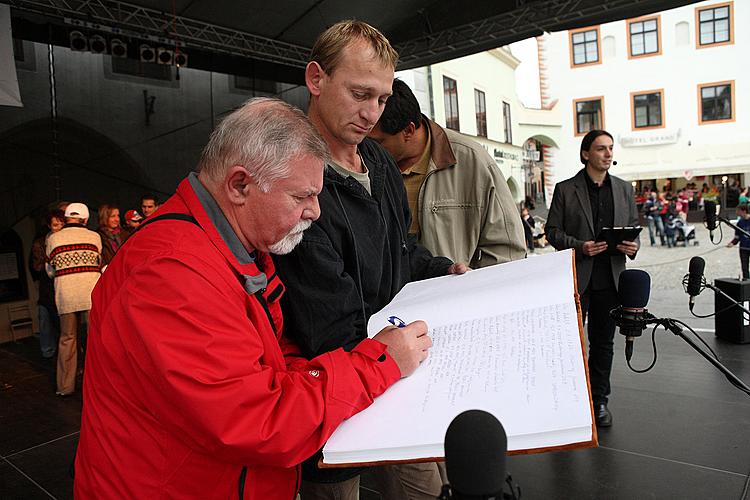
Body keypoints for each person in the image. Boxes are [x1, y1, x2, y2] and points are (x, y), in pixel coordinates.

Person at [74, 98, 433, 500]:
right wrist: (376, 364)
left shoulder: (235, 247)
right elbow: (258, 421)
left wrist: (329, 377)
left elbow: (272, 359)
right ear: (240, 185)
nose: (314, 212)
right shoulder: (172, 274)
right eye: (302, 197)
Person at [272, 20, 467, 500]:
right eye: (360, 94)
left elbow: (400, 250)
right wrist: (392, 351)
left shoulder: (378, 162)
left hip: (395, 367)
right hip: (331, 393)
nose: (371, 113)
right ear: (315, 79)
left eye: (381, 99)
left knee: (424, 487)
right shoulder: (292, 177)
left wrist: (442, 271)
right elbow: (322, 318)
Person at [368, 78, 526, 266]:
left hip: (456, 292)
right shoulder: (363, 162)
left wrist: (471, 289)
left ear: (408, 130)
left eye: (378, 142)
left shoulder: (473, 161)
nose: (367, 148)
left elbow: (507, 250)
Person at [545, 129, 639, 428]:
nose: (608, 153)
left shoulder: (624, 189)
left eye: (611, 148)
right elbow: (552, 232)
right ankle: (571, 399)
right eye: (601, 148)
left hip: (611, 279)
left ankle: (599, 401)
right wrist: (580, 246)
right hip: (576, 278)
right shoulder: (565, 188)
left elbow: (634, 226)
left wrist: (633, 246)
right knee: (571, 344)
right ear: (586, 154)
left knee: (603, 344)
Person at [45, 203, 102, 396]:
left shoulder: (54, 238)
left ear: (67, 218)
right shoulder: (94, 237)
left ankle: (65, 387)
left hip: (66, 295)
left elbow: (50, 270)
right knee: (92, 340)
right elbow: (98, 262)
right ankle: (95, 385)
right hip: (90, 294)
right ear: (85, 219)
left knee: (67, 339)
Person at [28, 209, 65, 359]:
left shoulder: (66, 239)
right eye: (55, 224)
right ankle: (48, 351)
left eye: (61, 224)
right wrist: (47, 263)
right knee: (45, 318)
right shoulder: (42, 242)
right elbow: (36, 266)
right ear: (50, 225)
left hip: (62, 287)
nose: (59, 228)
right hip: (47, 287)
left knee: (63, 323)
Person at [727, 203, 750, 279]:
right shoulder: (740, 223)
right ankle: (747, 283)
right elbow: (737, 236)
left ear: (744, 211)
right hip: (743, 248)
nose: (736, 212)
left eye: (738, 210)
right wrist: (732, 243)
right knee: (744, 268)